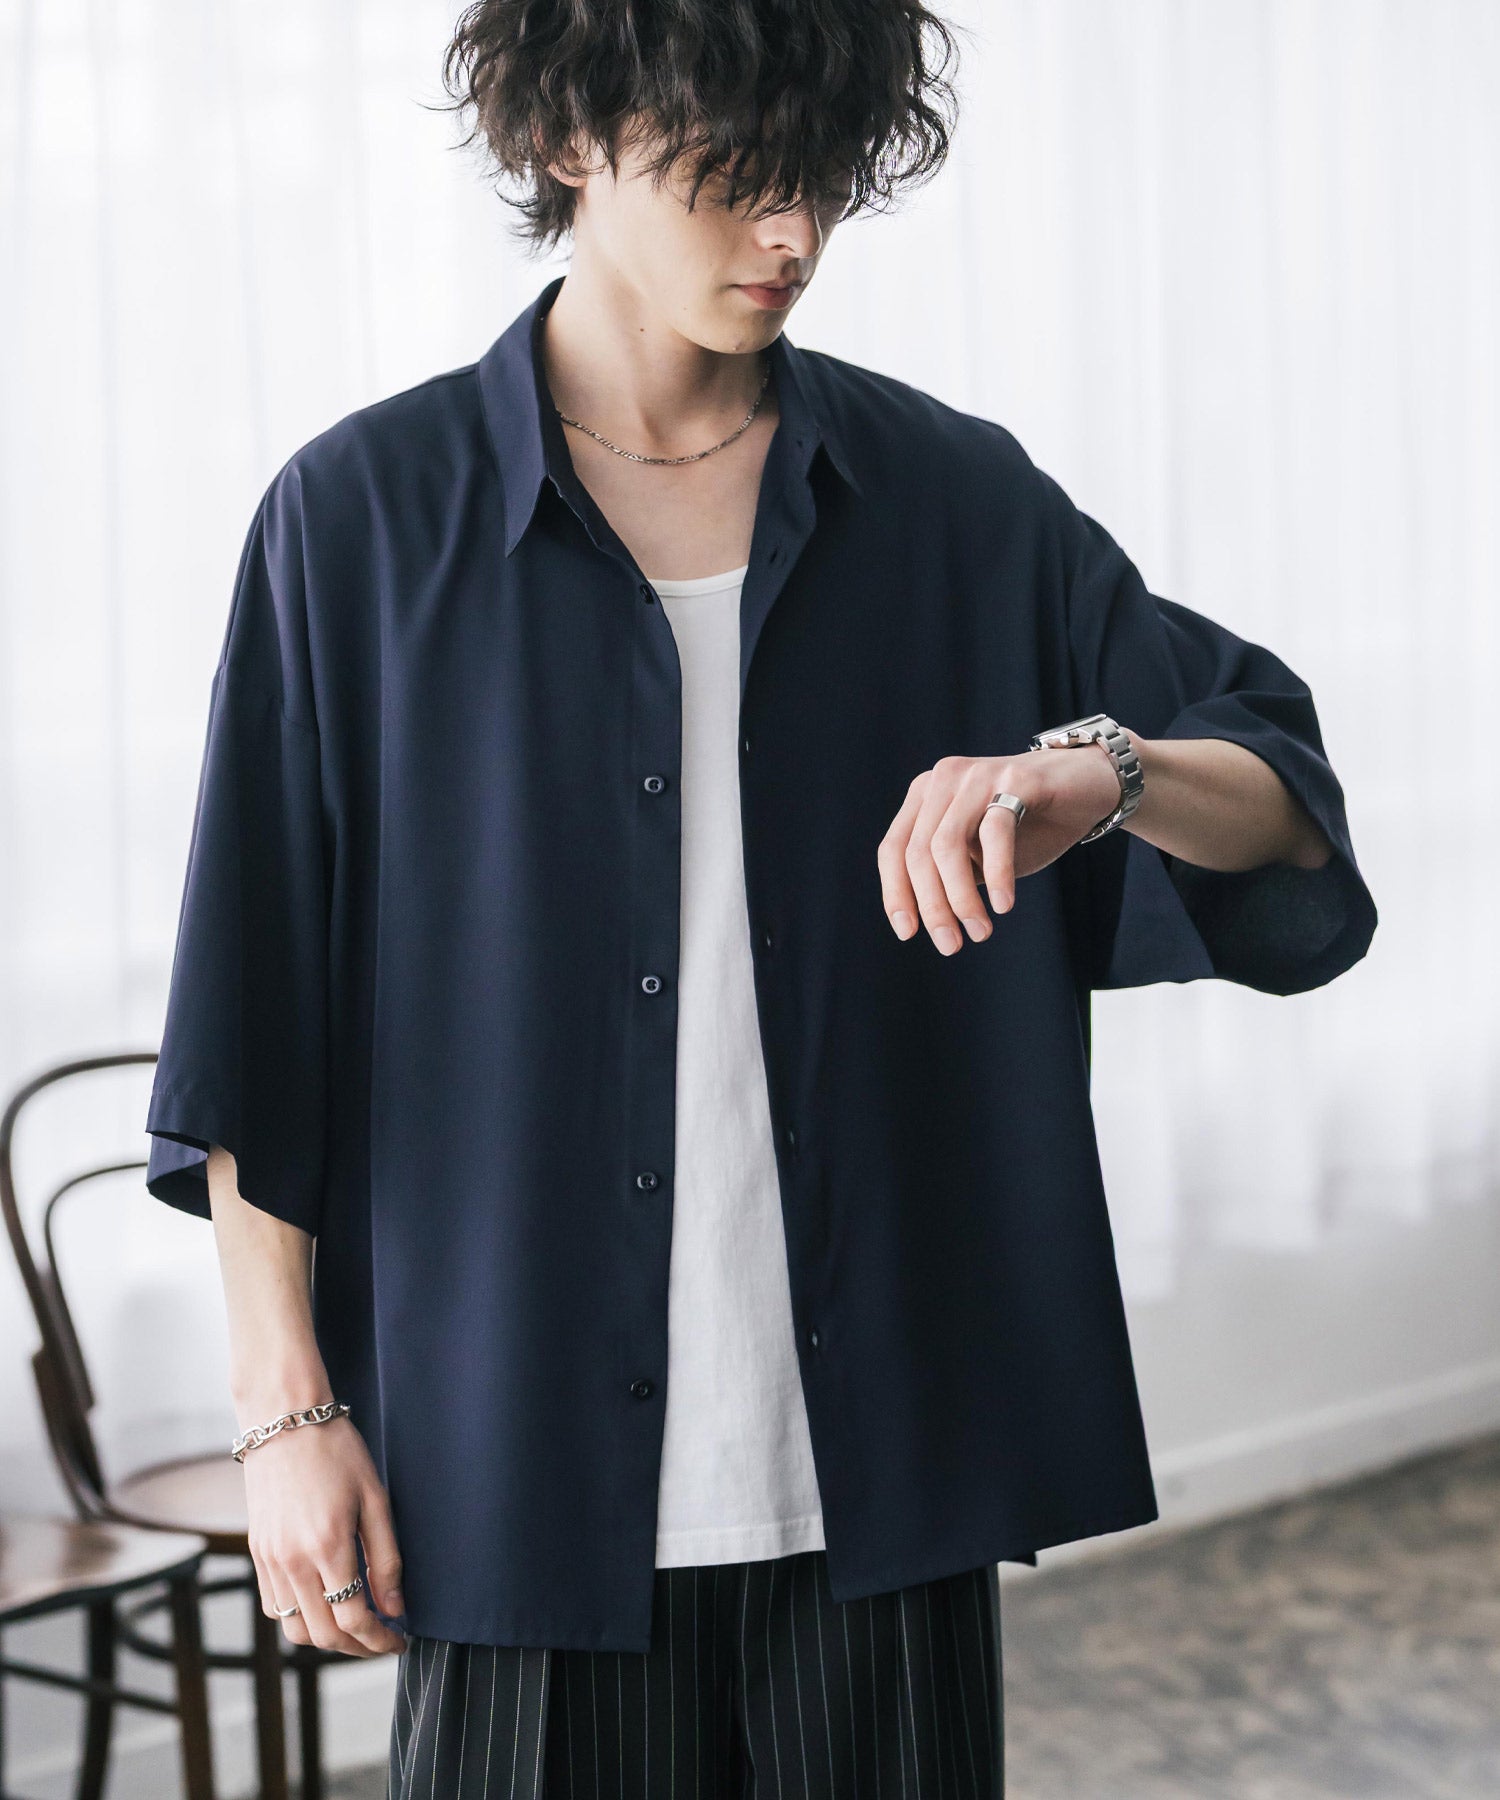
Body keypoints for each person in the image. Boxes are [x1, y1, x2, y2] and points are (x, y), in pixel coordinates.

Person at [142, 2, 1377, 1794]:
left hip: (882, 1483)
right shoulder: (361, 525)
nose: (794, 232)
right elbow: (255, 1012)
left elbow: (1281, 801)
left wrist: (1099, 770)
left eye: (825, 177)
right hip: (516, 1491)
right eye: (734, 176)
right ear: (568, 139)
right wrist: (288, 1412)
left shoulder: (954, 501)